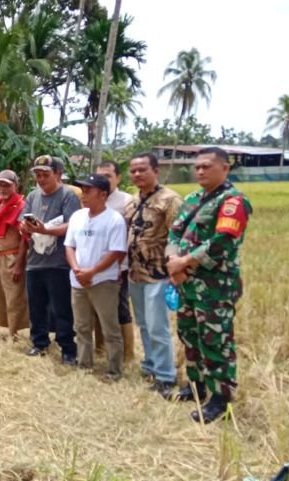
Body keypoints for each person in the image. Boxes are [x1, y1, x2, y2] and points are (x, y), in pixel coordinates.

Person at [166, 146, 252, 423]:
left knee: (215, 340)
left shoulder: (233, 201)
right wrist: (172, 261)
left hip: (215, 286)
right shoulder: (192, 199)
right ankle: (196, 385)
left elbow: (222, 242)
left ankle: (220, 398)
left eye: (207, 166)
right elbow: (175, 231)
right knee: (189, 335)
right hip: (187, 283)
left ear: (224, 168)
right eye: (198, 166)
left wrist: (184, 262)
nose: (200, 170)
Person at [124, 153, 182, 392]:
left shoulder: (170, 200)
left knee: (158, 326)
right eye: (133, 170)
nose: (137, 174)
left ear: (155, 171)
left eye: (142, 170)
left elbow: (176, 236)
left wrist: (175, 265)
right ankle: (150, 365)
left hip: (157, 272)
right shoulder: (132, 200)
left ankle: (166, 376)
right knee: (144, 324)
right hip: (134, 272)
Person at [64, 174, 127, 379]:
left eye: (88, 190)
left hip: (103, 281)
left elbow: (116, 252)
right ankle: (84, 364)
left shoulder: (114, 220)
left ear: (103, 194)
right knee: (81, 326)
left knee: (110, 328)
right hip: (78, 280)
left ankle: (114, 370)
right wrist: (76, 269)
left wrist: (92, 272)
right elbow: (70, 246)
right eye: (83, 190)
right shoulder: (77, 217)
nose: (84, 195)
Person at [18, 155, 80, 363]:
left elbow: (72, 225)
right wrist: (24, 227)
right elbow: (22, 220)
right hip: (34, 260)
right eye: (37, 175)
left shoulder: (68, 196)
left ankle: (67, 348)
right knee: (36, 305)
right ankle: (39, 342)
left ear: (58, 174)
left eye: (45, 175)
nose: (41, 179)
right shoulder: (33, 196)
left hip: (59, 262)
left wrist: (47, 229)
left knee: (62, 307)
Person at [95, 160, 135, 362]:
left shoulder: (128, 202)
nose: (104, 180)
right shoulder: (92, 198)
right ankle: (100, 349)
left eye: (108, 176)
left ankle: (128, 354)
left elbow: (132, 235)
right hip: (93, 267)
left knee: (120, 309)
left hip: (119, 266)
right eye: (100, 176)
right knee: (97, 309)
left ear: (118, 177)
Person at [0, 169, 29, 340]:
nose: (3, 189)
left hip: (13, 255)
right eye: (0, 185)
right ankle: (8, 329)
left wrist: (19, 264)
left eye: (7, 185)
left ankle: (13, 333)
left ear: (15, 186)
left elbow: (24, 238)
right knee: (0, 294)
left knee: (14, 296)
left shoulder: (21, 206)